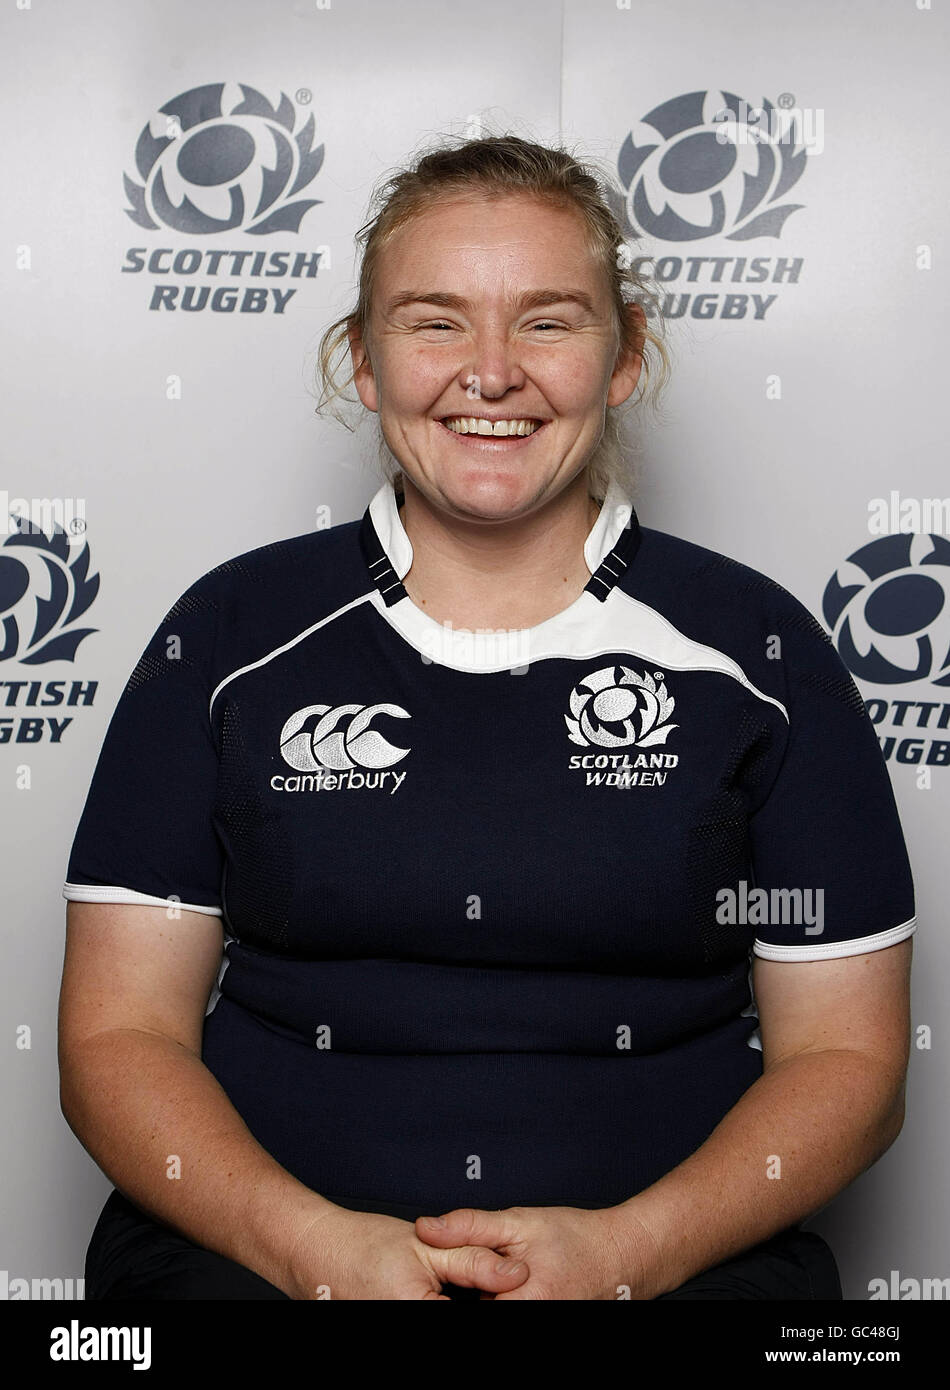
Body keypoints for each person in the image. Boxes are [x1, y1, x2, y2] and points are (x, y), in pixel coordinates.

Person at [59, 133, 914, 1301]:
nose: (492, 371)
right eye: (435, 320)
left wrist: (629, 1254)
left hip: (672, 1269)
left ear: (625, 357)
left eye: (549, 320)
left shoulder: (759, 659)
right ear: (362, 360)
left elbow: (849, 1061)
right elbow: (118, 1039)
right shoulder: (223, 637)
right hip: (256, 1263)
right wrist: (314, 1250)